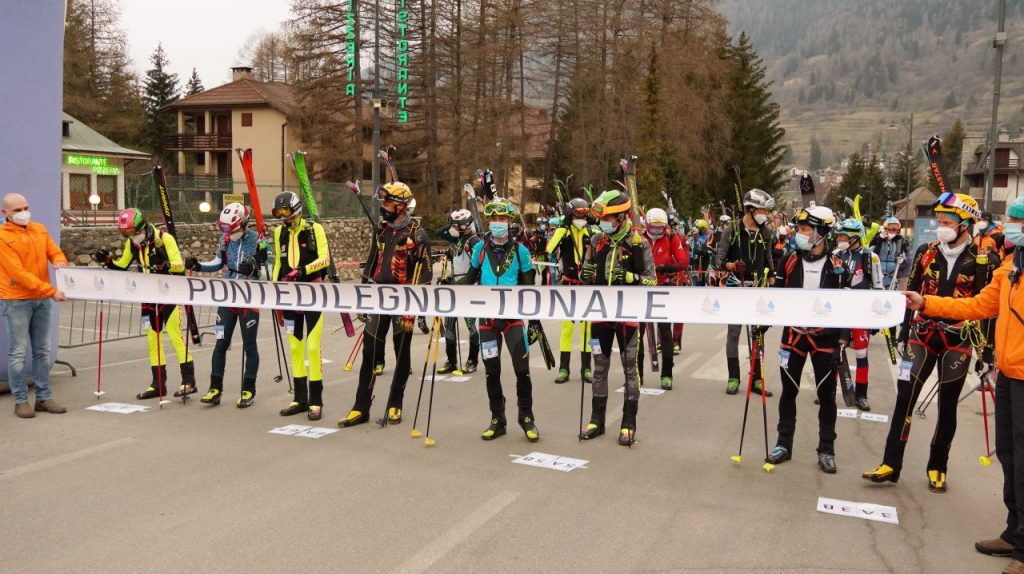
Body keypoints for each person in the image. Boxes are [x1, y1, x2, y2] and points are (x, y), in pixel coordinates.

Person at [901, 196, 1024, 573]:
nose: (1010, 227)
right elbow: (976, 306)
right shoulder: (1011, 267)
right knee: (1008, 454)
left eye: (1017, 221)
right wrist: (927, 303)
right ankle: (1014, 532)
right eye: (1011, 220)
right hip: (1008, 374)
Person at [863, 192, 995, 493]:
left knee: (947, 405)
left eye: (947, 222)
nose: (941, 227)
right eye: (939, 221)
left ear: (965, 224)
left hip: (957, 339)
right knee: (904, 397)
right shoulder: (926, 251)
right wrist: (902, 332)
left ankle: (938, 466)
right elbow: (910, 293)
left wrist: (986, 352)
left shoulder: (983, 260)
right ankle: (890, 464)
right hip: (922, 335)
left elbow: (987, 308)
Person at [761, 205, 849, 473]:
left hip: (825, 339)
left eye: (805, 230)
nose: (799, 234)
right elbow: (775, 298)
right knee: (789, 392)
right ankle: (783, 444)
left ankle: (826, 449)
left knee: (826, 396)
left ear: (821, 233)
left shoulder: (837, 267)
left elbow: (848, 306)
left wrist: (842, 342)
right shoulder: (788, 261)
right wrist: (760, 326)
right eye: (798, 229)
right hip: (794, 337)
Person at [340, 182, 431, 427]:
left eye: (389, 203)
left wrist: (416, 302)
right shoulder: (381, 230)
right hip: (378, 298)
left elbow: (426, 274)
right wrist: (363, 297)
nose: (384, 207)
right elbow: (371, 264)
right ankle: (361, 407)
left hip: (404, 300)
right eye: (383, 202)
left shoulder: (417, 233)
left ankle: (395, 403)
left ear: (402, 206)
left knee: (401, 353)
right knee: (369, 353)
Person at [456, 197, 539, 442]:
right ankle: (497, 419)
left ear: (509, 221)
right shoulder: (480, 250)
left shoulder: (521, 251)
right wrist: (448, 287)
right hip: (488, 321)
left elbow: (529, 289)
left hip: (512, 320)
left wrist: (534, 321)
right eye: (493, 219)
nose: (497, 223)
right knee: (492, 371)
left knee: (521, 371)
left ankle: (527, 418)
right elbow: (470, 278)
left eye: (502, 219)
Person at [579, 190, 656, 445]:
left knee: (629, 369)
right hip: (600, 315)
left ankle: (628, 424)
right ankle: (596, 421)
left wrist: (633, 278)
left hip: (628, 317)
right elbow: (586, 273)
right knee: (599, 367)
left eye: (609, 219)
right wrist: (586, 273)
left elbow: (652, 281)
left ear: (621, 217)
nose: (604, 223)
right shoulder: (597, 240)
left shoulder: (637, 242)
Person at [96, 208, 195, 401]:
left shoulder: (164, 239)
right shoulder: (132, 244)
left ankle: (189, 381)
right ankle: (158, 384)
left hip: (170, 295)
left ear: (142, 227)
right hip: (148, 298)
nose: (131, 237)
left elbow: (179, 266)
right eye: (126, 234)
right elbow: (122, 266)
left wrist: (164, 264)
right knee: (153, 339)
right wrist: (107, 260)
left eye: (133, 232)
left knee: (176, 337)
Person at [185, 203, 265, 408]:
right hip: (228, 299)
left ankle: (248, 390)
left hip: (249, 299)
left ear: (245, 223)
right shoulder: (226, 238)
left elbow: (270, 270)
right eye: (225, 229)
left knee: (249, 345)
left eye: (233, 228)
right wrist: (198, 265)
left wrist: (255, 267)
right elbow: (218, 262)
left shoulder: (258, 239)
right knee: (220, 343)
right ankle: (215, 388)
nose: (229, 233)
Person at [0, 193, 67, 418]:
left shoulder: (39, 229)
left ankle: (43, 398)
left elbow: (53, 251)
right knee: (18, 353)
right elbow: (18, 273)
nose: (23, 213)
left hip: (42, 300)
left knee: (42, 351)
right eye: (17, 210)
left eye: (25, 207)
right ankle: (20, 400)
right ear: (5, 213)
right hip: (16, 299)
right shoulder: (2, 237)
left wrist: (59, 261)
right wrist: (51, 291)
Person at [269, 192, 331, 421]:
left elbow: (325, 259)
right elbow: (278, 262)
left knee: (313, 348)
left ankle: (316, 401)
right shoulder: (279, 232)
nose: (283, 218)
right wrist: (274, 291)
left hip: (312, 292)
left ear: (295, 210)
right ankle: (299, 398)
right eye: (279, 214)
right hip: (288, 295)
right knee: (295, 348)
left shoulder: (314, 229)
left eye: (285, 213)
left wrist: (302, 271)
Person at [714, 190, 775, 396]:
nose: (764, 214)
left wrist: (772, 277)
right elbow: (718, 260)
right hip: (735, 286)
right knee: (734, 333)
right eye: (761, 210)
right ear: (750, 209)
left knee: (758, 334)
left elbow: (768, 258)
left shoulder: (765, 231)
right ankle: (733, 378)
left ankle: (757, 379)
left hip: (757, 287)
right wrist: (731, 265)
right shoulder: (732, 230)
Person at [834, 218, 882, 411]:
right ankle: (829, 390)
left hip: (861, 312)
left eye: (843, 235)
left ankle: (861, 394)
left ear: (855, 237)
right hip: (839, 312)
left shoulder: (871, 257)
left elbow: (878, 287)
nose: (839, 239)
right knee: (835, 352)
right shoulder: (836, 254)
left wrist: (878, 317)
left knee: (861, 354)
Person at [639, 207, 688, 390]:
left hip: (662, 287)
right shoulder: (640, 237)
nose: (657, 231)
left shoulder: (670, 237)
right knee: (638, 332)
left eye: (661, 227)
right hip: (641, 289)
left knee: (665, 331)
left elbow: (683, 262)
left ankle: (667, 374)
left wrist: (663, 268)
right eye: (654, 227)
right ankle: (637, 374)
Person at [546, 197, 593, 385]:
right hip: (569, 284)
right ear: (570, 213)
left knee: (586, 328)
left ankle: (586, 368)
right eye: (577, 213)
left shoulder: (592, 230)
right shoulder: (564, 230)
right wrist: (561, 229)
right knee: (567, 327)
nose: (581, 216)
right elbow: (549, 248)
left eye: (584, 213)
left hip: (587, 285)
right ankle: (564, 368)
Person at [436, 208, 481, 374]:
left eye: (456, 225)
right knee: (449, 325)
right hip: (455, 287)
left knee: (472, 326)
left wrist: (459, 283)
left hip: (470, 288)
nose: (452, 228)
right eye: (453, 225)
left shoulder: (474, 241)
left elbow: (477, 270)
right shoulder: (457, 240)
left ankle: (472, 360)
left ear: (466, 225)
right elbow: (439, 231)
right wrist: (449, 280)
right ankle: (451, 361)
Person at [870, 216, 910, 290]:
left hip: (894, 276)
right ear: (885, 229)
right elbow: (873, 254)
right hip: (879, 275)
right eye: (890, 229)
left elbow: (908, 259)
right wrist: (879, 240)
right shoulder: (877, 240)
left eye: (895, 230)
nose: (892, 231)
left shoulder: (901, 241)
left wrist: (902, 262)